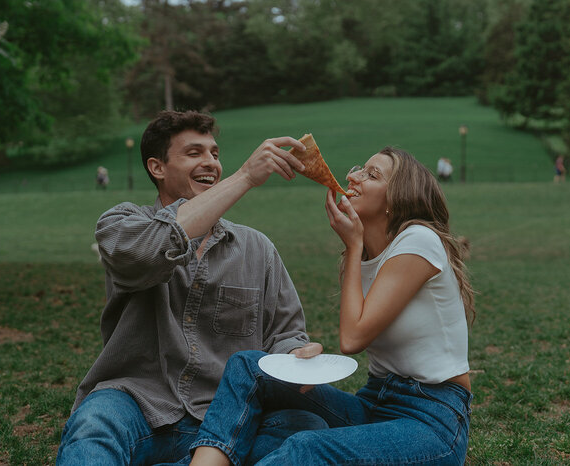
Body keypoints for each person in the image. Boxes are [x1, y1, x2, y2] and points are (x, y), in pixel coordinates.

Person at [56, 110, 327, 465]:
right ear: (157, 168)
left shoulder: (257, 248)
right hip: (136, 400)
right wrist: (244, 176)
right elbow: (145, 253)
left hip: (228, 413)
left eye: (214, 153)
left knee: (305, 427)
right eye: (194, 152)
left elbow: (285, 334)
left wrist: (297, 357)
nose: (211, 163)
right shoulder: (122, 224)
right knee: (93, 424)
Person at [189, 147, 476, 465]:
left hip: (431, 423)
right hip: (374, 404)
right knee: (248, 367)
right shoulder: (369, 253)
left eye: (372, 174)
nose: (352, 176)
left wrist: (353, 245)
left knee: (307, 448)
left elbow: (352, 339)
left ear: (397, 197)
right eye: (359, 168)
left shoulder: (419, 240)